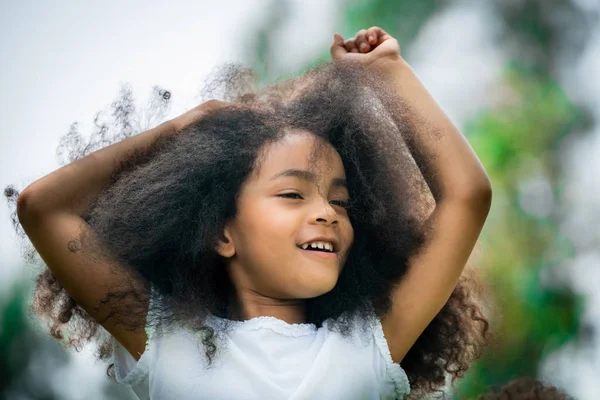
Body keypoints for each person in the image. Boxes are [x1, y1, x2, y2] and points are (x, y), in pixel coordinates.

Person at [11, 26, 492, 399]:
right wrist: (180, 129)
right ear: (221, 232)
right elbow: (43, 209)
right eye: (293, 195)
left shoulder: (367, 345)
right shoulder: (166, 339)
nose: (327, 212)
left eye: (340, 201)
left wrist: (389, 75)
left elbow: (466, 197)